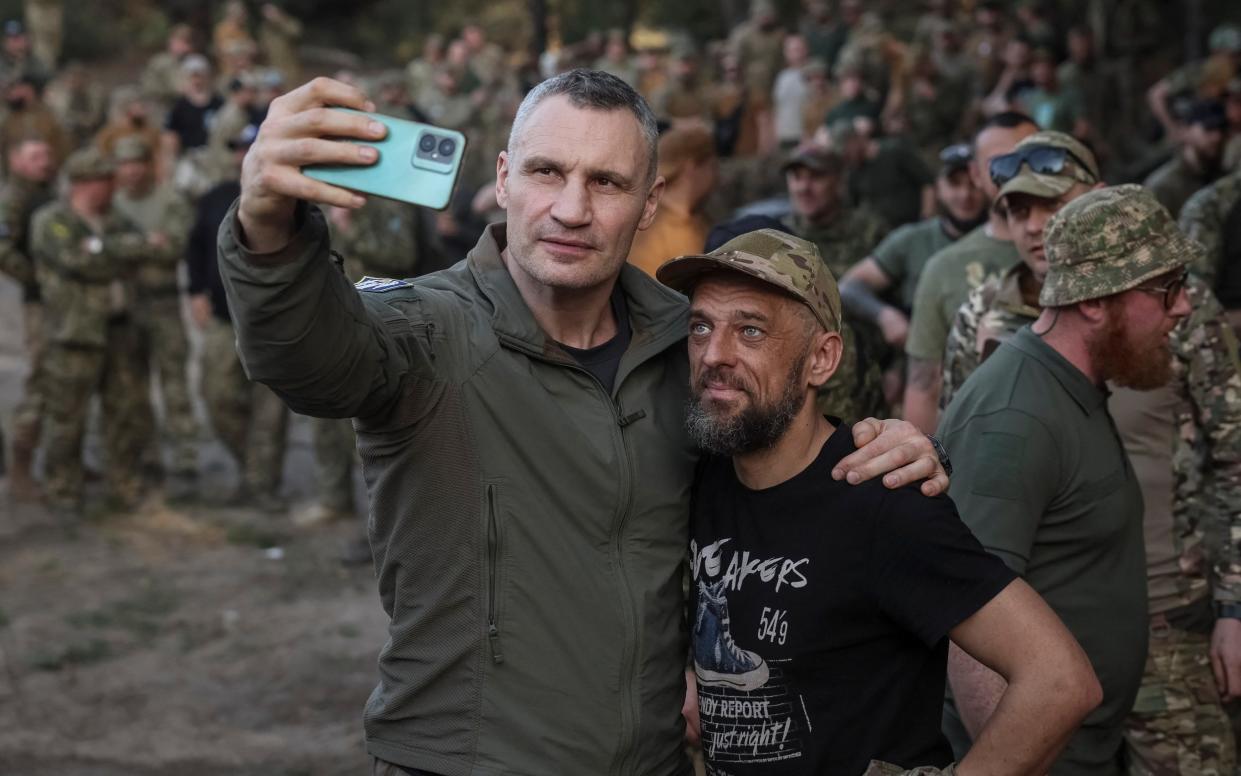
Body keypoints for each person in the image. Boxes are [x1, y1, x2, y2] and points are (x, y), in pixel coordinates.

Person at [217, 70, 947, 775]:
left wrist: (881, 443)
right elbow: (304, 358)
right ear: (502, 179)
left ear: (650, 202)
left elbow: (780, 459)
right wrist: (266, 225)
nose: (571, 209)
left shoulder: (686, 344)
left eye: (606, 182)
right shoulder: (423, 331)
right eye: (546, 172)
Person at [659, 228, 1099, 775]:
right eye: (701, 326)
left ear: (822, 359)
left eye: (751, 331)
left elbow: (1059, 680)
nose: (715, 354)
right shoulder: (703, 479)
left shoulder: (882, 497)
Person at [942, 138, 1241, 775]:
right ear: (1094, 303)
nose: (1184, 306)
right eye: (1167, 289)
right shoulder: (1015, 417)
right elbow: (968, 626)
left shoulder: (1076, 384)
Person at [30, 148, 153, 516]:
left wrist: (102, 248)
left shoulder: (116, 218)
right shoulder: (51, 220)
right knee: (67, 418)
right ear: (85, 184)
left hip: (119, 331)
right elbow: (76, 261)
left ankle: (123, 486)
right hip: (74, 335)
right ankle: (63, 490)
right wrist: (113, 254)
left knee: (123, 414)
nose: (114, 187)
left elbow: (143, 249)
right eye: (106, 181)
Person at [940, 131, 1102, 406]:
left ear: (1099, 200)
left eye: (1052, 206)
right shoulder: (982, 309)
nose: (1033, 227)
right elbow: (958, 435)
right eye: (1019, 212)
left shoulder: (1163, 300)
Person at [902, 111, 1037, 433]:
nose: (1015, 171)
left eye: (1027, 157)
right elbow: (924, 385)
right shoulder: (944, 267)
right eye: (999, 162)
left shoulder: (1074, 253)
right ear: (976, 174)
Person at [187, 125, 288, 512]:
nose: (243, 153)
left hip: (272, 319)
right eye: (238, 148)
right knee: (217, 396)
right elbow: (196, 245)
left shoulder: (291, 196)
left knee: (270, 410)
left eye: (252, 147)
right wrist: (194, 290)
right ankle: (250, 467)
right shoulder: (215, 197)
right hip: (221, 315)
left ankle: (263, 486)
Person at [110, 135, 199, 487]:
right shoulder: (113, 203)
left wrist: (130, 248)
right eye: (123, 164)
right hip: (127, 304)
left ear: (147, 165)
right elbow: (108, 249)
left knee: (174, 381)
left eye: (136, 163)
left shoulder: (170, 200)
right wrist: (147, 242)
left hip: (164, 303)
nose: (130, 171)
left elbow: (175, 247)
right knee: (134, 384)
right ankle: (147, 454)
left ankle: (186, 457)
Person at [840, 143, 984, 353]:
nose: (965, 194)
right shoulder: (912, 239)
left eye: (974, 184)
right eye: (955, 183)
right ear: (939, 188)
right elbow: (849, 287)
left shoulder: (1005, 238)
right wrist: (885, 316)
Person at [779, 144, 887, 420]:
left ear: (838, 181)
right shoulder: (779, 236)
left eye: (815, 177)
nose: (804, 187)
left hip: (867, 375)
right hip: (799, 373)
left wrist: (898, 369)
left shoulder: (871, 231)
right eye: (796, 177)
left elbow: (899, 308)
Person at [0, 135, 55, 500]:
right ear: (16, 160)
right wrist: (37, 277)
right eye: (35, 156)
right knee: (42, 378)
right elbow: (3, 250)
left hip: (64, 300)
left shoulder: (45, 192)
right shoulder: (14, 198)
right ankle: (20, 464)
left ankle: (63, 461)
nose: (44, 161)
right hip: (40, 302)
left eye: (47, 155)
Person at [627, 125, 717, 277]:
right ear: (692, 167)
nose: (716, 174)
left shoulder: (697, 218)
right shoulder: (650, 229)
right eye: (712, 166)